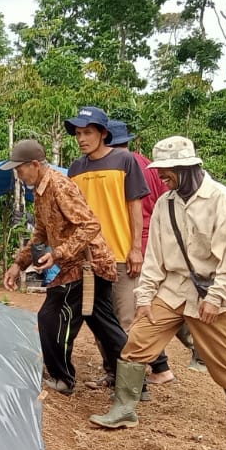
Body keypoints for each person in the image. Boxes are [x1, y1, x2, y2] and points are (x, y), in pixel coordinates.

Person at [89, 136, 226, 448]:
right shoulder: (165, 204)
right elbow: (154, 257)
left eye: (167, 171)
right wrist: (144, 297)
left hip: (212, 290)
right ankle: (124, 408)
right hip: (172, 288)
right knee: (138, 341)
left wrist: (217, 298)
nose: (161, 176)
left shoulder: (223, 201)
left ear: (186, 167)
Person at [0, 139, 129, 396]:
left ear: (35, 164)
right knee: (104, 325)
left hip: (87, 265)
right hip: (79, 263)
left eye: (20, 168)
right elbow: (40, 234)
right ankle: (135, 381)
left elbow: (90, 225)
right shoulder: (39, 190)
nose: (18, 173)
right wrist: (18, 264)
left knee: (50, 316)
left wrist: (59, 253)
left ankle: (62, 378)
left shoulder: (59, 186)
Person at [64, 107, 172, 392]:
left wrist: (136, 249)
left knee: (125, 321)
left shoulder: (125, 161)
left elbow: (135, 207)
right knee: (98, 319)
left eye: (88, 132)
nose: (81, 139)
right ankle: (112, 372)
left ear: (103, 134)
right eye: (78, 134)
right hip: (89, 258)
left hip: (121, 255)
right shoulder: (76, 168)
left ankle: (134, 386)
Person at [107, 119, 202, 374]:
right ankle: (187, 353)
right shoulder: (149, 165)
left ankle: (155, 369)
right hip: (159, 241)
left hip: (135, 244)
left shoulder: (120, 167)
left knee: (134, 312)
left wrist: (135, 247)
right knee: (165, 301)